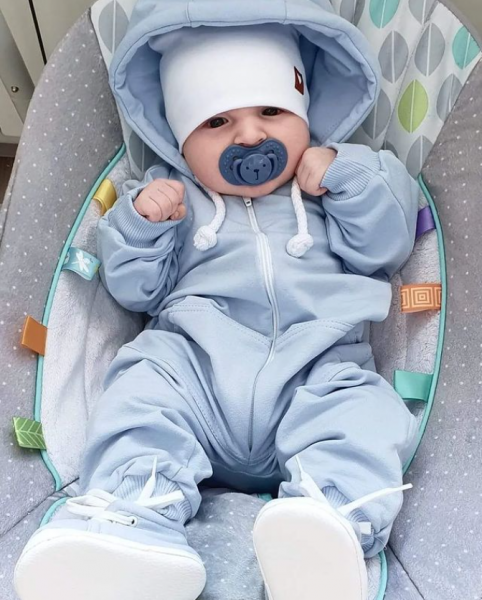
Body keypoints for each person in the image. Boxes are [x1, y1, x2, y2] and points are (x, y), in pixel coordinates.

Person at [14, 9, 420, 600]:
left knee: (365, 412)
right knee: (140, 391)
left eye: (272, 111)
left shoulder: (329, 183)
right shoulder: (173, 196)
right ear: (181, 139)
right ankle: (134, 518)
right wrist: (143, 223)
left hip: (316, 368)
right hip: (196, 372)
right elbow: (136, 291)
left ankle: (327, 525)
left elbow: (385, 247)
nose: (250, 137)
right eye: (217, 121)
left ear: (304, 111)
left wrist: (349, 175)